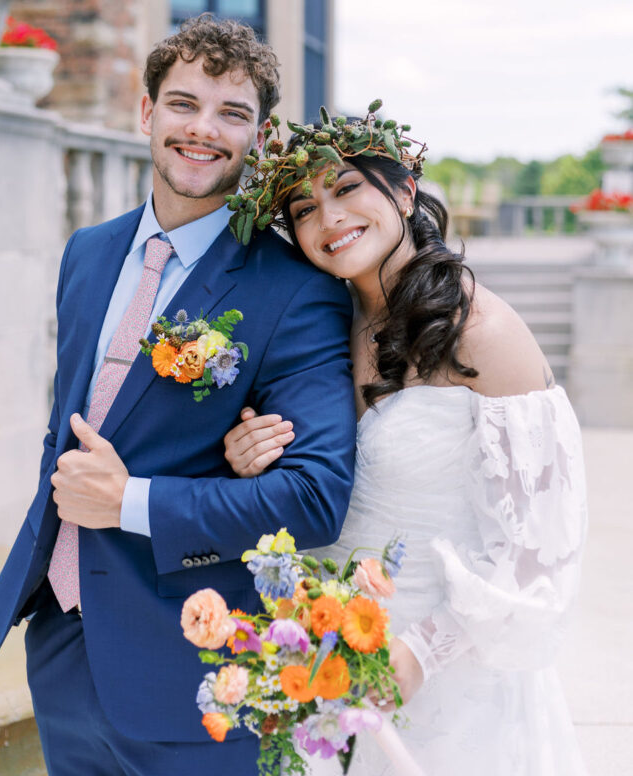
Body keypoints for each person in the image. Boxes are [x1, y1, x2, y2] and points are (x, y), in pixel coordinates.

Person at [0, 16, 357, 776]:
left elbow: (315, 499)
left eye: (232, 114)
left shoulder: (296, 291)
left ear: (260, 135)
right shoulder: (87, 251)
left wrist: (130, 502)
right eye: (183, 104)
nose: (202, 131)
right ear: (146, 113)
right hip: (61, 643)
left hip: (190, 663)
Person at [223, 107, 589, 776]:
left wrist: (416, 655)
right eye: (302, 207)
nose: (328, 217)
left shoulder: (479, 331)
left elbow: (541, 551)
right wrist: (254, 456)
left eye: (345, 188)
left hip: (451, 672)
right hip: (324, 655)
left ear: (403, 190)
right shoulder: (317, 327)